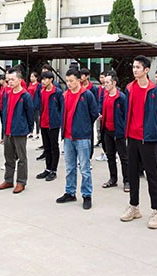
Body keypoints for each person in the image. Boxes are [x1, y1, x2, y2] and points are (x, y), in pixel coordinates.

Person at [120, 55, 157, 230]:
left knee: (152, 175)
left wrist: (156, 132)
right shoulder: (129, 88)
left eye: (138, 67)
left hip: (148, 138)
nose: (135, 70)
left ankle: (156, 212)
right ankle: (134, 207)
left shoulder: (155, 91)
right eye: (133, 67)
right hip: (132, 137)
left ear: (146, 70)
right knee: (132, 174)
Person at [56, 68, 99, 209]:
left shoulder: (87, 95)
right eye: (67, 81)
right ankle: (70, 192)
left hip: (82, 137)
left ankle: (87, 195)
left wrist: (84, 126)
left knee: (85, 168)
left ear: (79, 80)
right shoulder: (64, 95)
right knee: (70, 167)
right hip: (68, 137)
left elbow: (94, 113)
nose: (69, 83)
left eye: (71, 81)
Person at [0, 67, 35, 193]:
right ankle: (8, 180)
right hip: (8, 131)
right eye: (8, 80)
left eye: (12, 80)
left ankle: (21, 182)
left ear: (19, 80)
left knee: (21, 158)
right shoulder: (7, 94)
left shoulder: (25, 96)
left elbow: (30, 114)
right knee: (8, 157)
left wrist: (28, 129)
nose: (10, 82)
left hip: (19, 131)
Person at [100, 70, 129, 192]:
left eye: (107, 82)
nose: (105, 84)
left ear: (114, 83)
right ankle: (113, 178)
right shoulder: (105, 96)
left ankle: (127, 180)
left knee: (123, 157)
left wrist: (124, 130)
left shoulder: (121, 97)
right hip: (107, 130)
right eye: (104, 82)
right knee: (110, 156)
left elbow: (126, 115)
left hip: (118, 131)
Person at [35, 70, 63, 182]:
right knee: (46, 147)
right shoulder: (41, 91)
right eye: (42, 79)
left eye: (45, 79)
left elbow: (62, 108)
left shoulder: (57, 92)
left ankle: (53, 170)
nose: (43, 81)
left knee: (54, 147)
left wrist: (58, 119)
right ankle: (47, 168)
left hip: (53, 124)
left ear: (51, 79)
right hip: (43, 123)